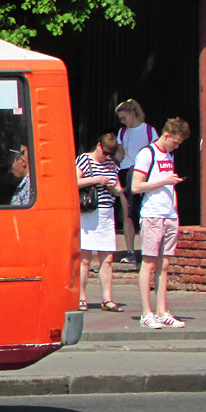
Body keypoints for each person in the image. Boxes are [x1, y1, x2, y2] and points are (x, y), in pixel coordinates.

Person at [135, 117, 190, 329]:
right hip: (152, 213)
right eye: (175, 142)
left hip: (169, 214)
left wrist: (174, 211)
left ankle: (161, 310)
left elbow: (170, 186)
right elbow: (136, 186)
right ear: (166, 135)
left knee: (164, 264)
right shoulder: (147, 154)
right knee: (148, 262)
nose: (176, 146)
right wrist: (165, 181)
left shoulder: (168, 155)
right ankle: (145, 313)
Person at [77, 134, 124, 312]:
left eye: (111, 154)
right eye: (105, 153)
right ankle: (81, 297)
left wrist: (113, 187)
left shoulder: (111, 164)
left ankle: (107, 298)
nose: (107, 157)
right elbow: (74, 181)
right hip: (89, 212)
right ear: (98, 146)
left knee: (107, 258)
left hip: (106, 213)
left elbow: (119, 190)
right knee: (85, 259)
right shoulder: (84, 160)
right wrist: (96, 180)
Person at [114, 99, 157, 264]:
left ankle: (147, 250)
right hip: (125, 172)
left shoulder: (148, 130)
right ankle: (130, 250)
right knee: (127, 213)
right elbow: (120, 155)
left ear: (133, 114)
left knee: (143, 212)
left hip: (143, 172)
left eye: (124, 117)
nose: (122, 121)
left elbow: (155, 151)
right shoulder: (122, 133)